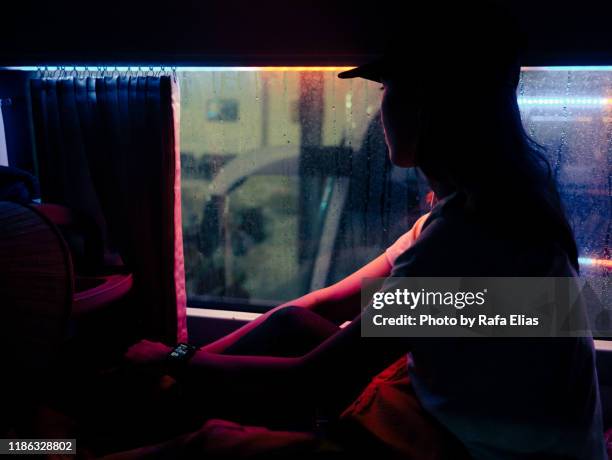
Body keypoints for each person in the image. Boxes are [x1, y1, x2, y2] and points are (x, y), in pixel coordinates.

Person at [117, 4, 606, 459]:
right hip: (464, 423)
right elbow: (321, 305)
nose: (381, 112)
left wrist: (176, 359)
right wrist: (181, 361)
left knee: (215, 443)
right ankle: (127, 413)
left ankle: (77, 444)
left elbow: (310, 382)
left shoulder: (468, 240)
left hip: (480, 449)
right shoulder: (483, 211)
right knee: (289, 326)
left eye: (388, 91)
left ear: (431, 106)